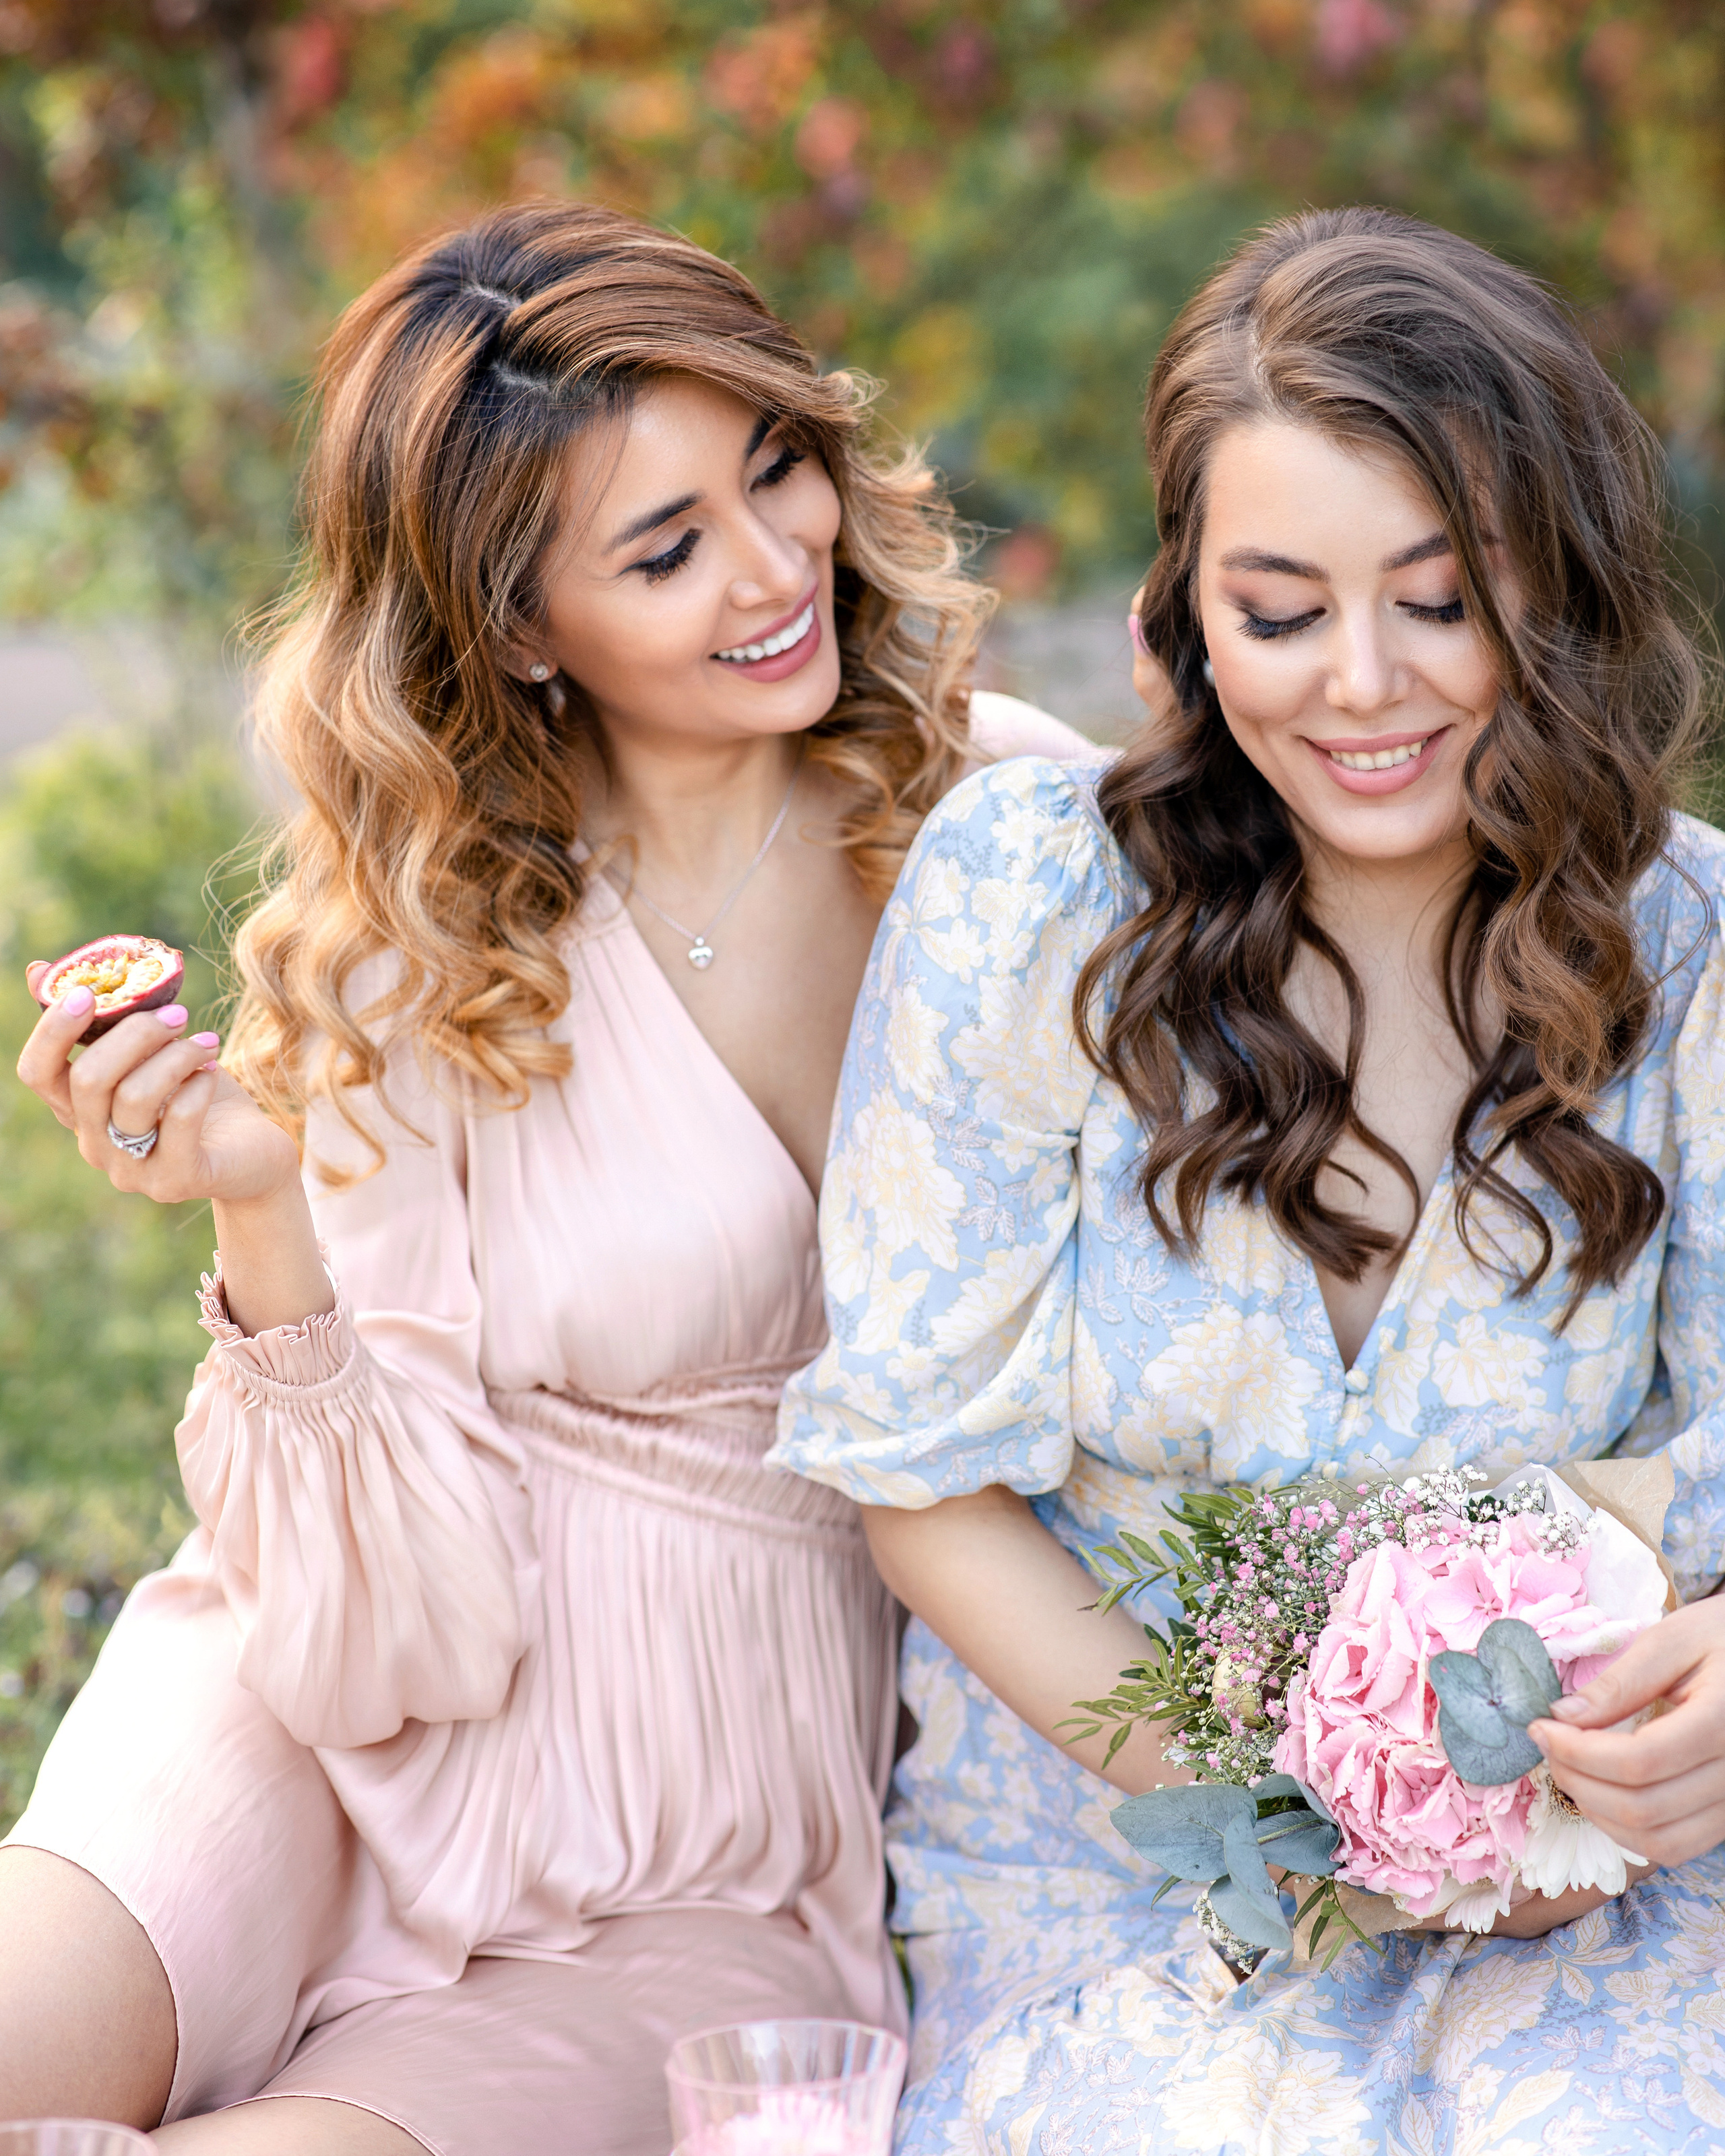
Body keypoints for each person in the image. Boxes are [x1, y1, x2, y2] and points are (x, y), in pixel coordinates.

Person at [5, 199, 1092, 2154]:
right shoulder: (416, 942)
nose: (773, 566)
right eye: (665, 551)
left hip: (709, 1829)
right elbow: (368, 1641)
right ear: (518, 626)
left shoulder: (1003, 817)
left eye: (777, 469)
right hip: (314, 1719)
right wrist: (262, 1203)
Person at [773, 207, 1725, 2152]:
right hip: (1117, 1865)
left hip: (1600, 1882)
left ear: (1555, 587)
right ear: (1191, 615)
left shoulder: (1695, 944)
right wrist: (1321, 1826)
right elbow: (927, 1492)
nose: (1363, 685)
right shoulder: (1028, 900)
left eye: (1439, 601)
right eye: (1282, 612)